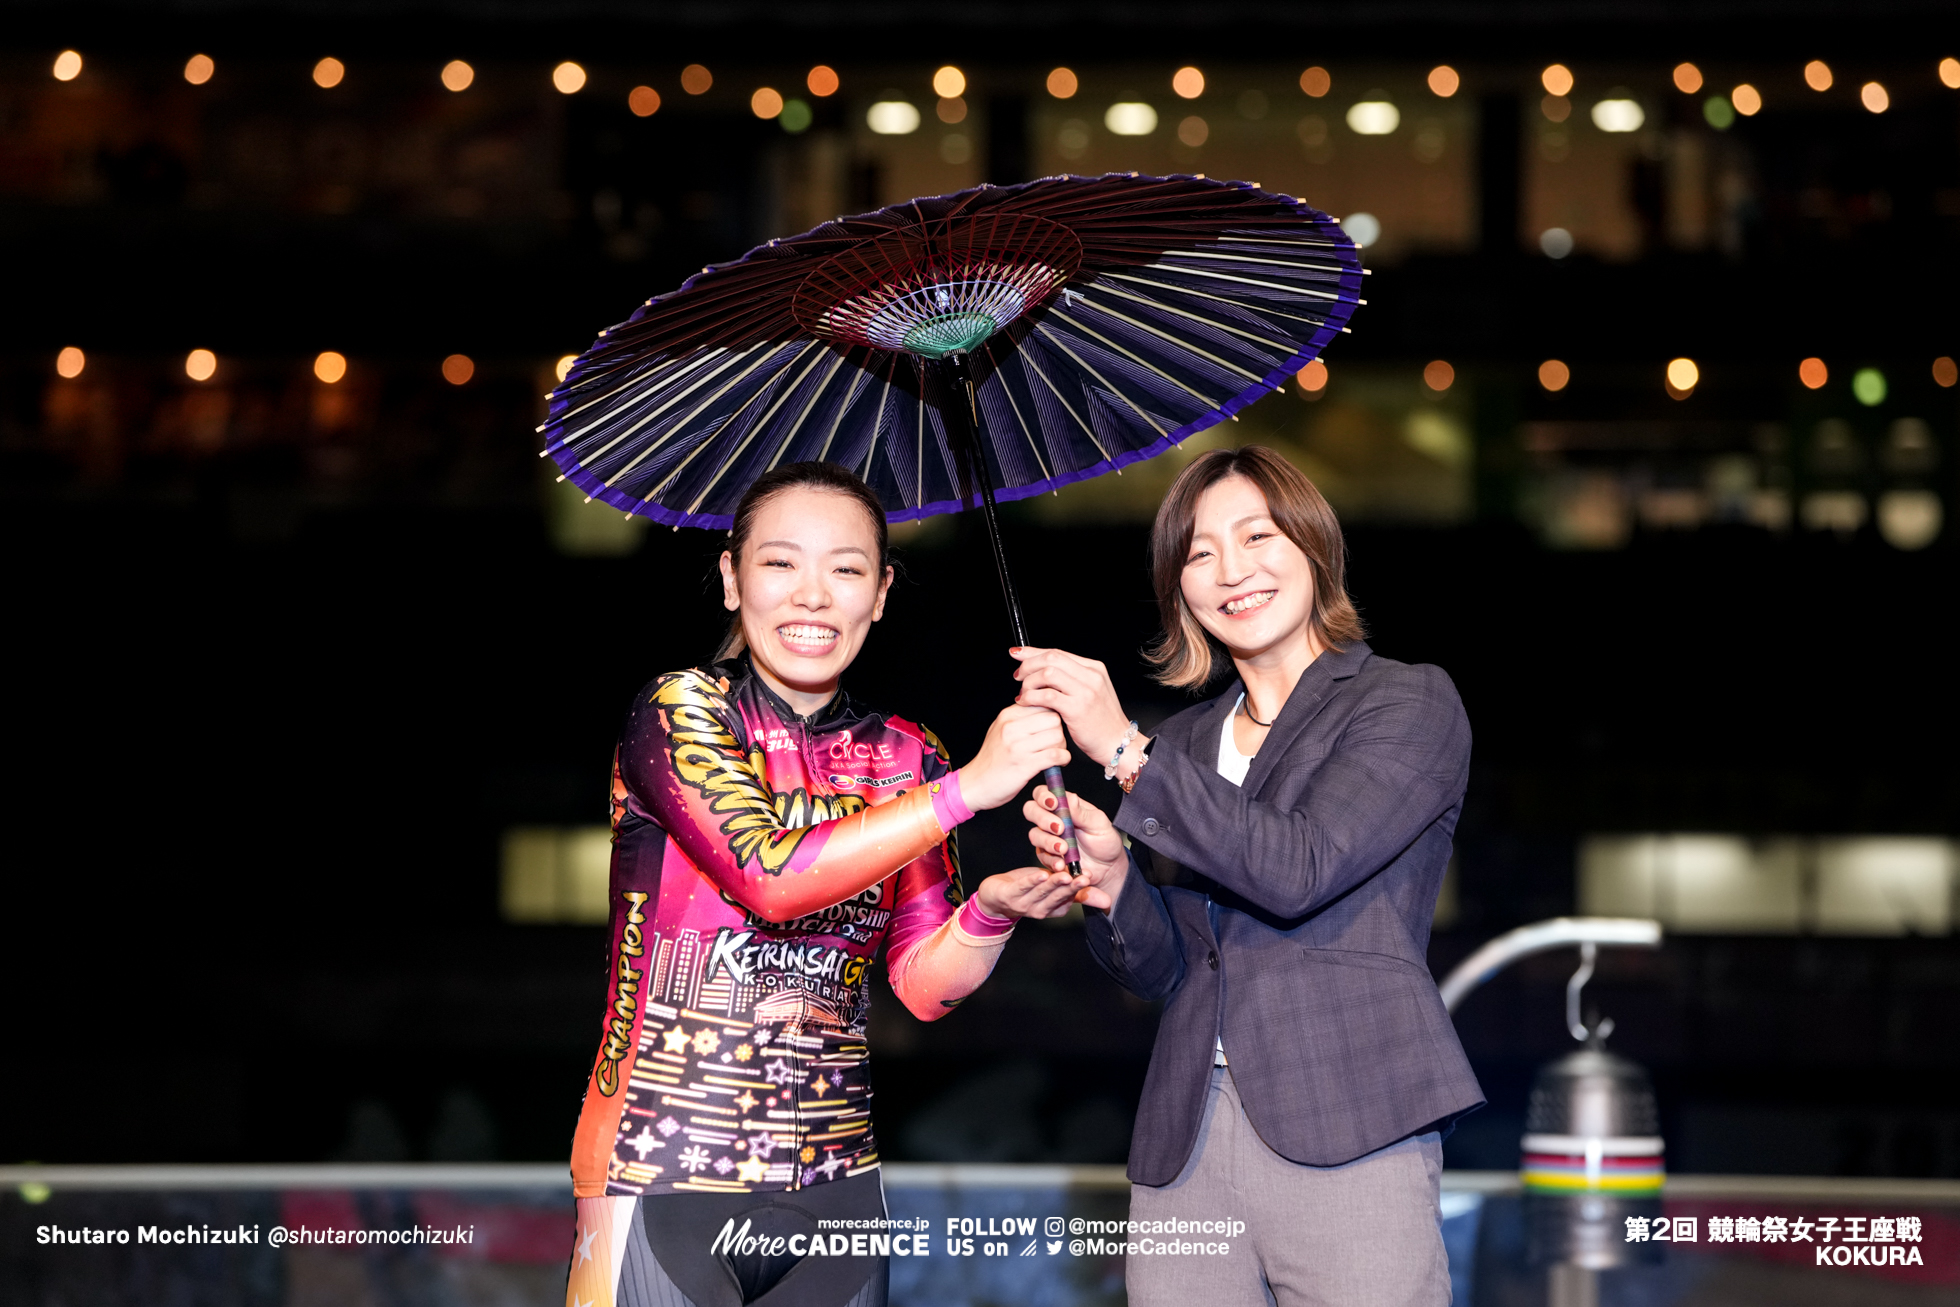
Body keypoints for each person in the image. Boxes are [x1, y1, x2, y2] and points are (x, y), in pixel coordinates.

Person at [565, 461, 1079, 1307]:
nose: (812, 594)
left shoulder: (910, 755)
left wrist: (989, 912)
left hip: (839, 1192)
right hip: (658, 1170)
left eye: (844, 569)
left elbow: (921, 986)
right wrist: (968, 792)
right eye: (779, 563)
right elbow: (768, 876)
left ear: (879, 594)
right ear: (732, 579)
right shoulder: (678, 710)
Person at [1013, 446, 1483, 1306]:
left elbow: (1299, 867)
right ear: (1178, 588)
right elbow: (1169, 970)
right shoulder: (1186, 744)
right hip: (1186, 1139)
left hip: (1351, 1118)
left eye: (1257, 535)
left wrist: (1122, 748)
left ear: (1312, 546)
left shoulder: (1406, 701)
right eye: (1198, 552)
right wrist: (1115, 880)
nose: (1232, 569)